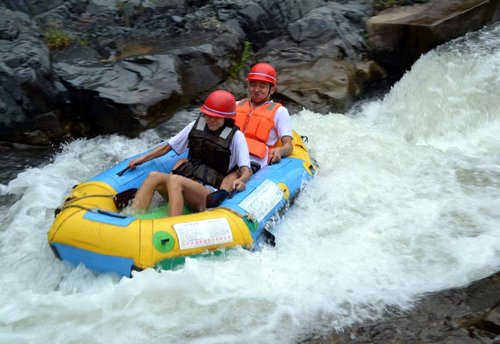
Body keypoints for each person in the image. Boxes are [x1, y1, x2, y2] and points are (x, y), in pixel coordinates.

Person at [128, 90, 252, 217]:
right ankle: (133, 217)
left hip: (208, 194)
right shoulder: (196, 125)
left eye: (216, 117)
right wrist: (142, 159)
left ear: (226, 117)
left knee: (175, 179)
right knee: (154, 176)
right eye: (208, 115)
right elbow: (167, 147)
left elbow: (246, 170)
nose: (210, 119)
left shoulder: (236, 137)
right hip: (187, 182)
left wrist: (241, 180)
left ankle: (172, 224)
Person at [206, 62, 293, 207]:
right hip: (230, 152)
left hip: (254, 158)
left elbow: (288, 146)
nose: (257, 90)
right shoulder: (236, 105)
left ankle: (217, 203)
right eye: (253, 85)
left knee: (233, 176)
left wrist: (279, 150)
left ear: (272, 89)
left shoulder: (280, 112)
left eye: (262, 86)